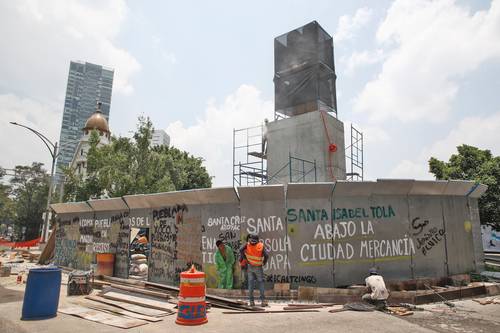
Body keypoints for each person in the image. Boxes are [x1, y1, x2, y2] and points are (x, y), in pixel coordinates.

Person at [239, 233, 269, 307]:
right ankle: (263, 301)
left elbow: (240, 250)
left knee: (251, 284)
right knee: (261, 283)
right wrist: (264, 262)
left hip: (250, 266)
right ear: (258, 240)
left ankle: (251, 302)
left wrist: (245, 259)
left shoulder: (247, 245)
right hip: (258, 267)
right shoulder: (260, 245)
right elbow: (266, 255)